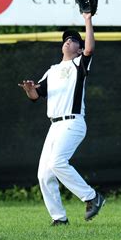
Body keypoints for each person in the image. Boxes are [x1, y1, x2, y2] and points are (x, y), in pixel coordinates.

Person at [18, 12, 105, 225]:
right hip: (54, 126)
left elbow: (91, 49)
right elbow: (36, 96)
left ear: (79, 48)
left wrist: (87, 19)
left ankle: (92, 197)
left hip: (73, 122)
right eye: (66, 39)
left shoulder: (79, 65)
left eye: (74, 40)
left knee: (57, 162)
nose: (69, 41)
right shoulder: (52, 71)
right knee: (43, 175)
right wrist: (29, 89)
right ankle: (59, 218)